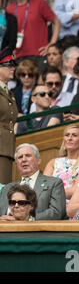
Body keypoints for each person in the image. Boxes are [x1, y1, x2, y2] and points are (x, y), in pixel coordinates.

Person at [0, 143, 66, 220]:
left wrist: (27, 220)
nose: (24, 159)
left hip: (37, 230)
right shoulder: (7, 188)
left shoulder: (54, 183)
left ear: (38, 161)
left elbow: (57, 212)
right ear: (16, 164)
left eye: (28, 156)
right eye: (20, 157)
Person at [6, 0, 61, 65]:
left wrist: (52, 44)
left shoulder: (39, 3)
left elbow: (57, 22)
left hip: (39, 55)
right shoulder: (9, 8)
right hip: (18, 57)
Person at [43, 124, 79, 201]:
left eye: (74, 135)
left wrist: (51, 194)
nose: (69, 138)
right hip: (51, 205)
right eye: (67, 135)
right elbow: (43, 187)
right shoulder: (53, 162)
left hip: (72, 205)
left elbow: (76, 190)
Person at [0, 47, 18, 185]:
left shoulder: (9, 93)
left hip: (6, 147)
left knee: (4, 190)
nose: (13, 68)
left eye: (13, 65)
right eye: (8, 65)